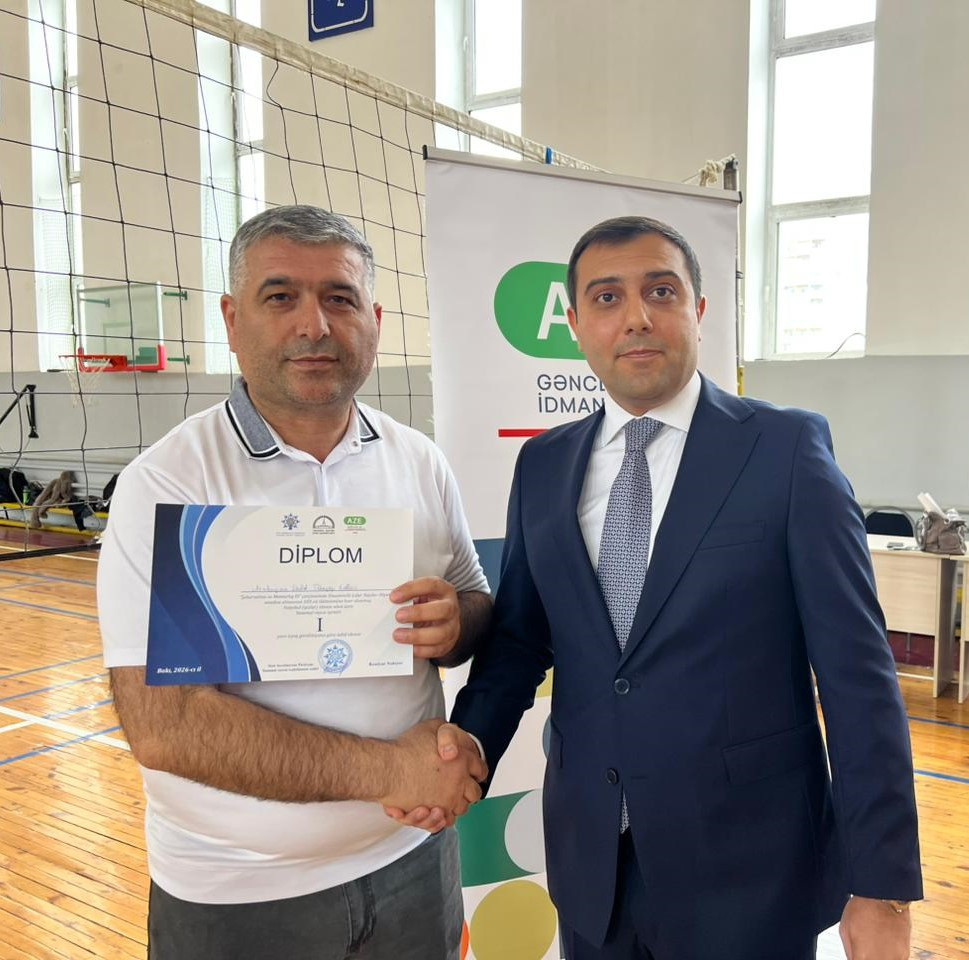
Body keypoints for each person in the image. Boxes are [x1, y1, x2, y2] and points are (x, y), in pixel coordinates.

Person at [438, 216, 922, 960]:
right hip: (592, 869)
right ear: (576, 326)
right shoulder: (543, 466)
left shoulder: (785, 450)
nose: (635, 316)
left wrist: (881, 886)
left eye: (660, 291)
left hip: (749, 876)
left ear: (697, 310)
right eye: (606, 297)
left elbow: (858, 678)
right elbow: (520, 641)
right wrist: (469, 744)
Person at [97, 205, 491, 960]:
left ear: (374, 320)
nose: (314, 325)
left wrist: (456, 622)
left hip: (413, 859)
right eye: (280, 297)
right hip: (240, 892)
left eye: (339, 298)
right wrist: (392, 771)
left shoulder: (418, 460)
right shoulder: (169, 483)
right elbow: (164, 725)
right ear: (231, 319)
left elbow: (473, 599)